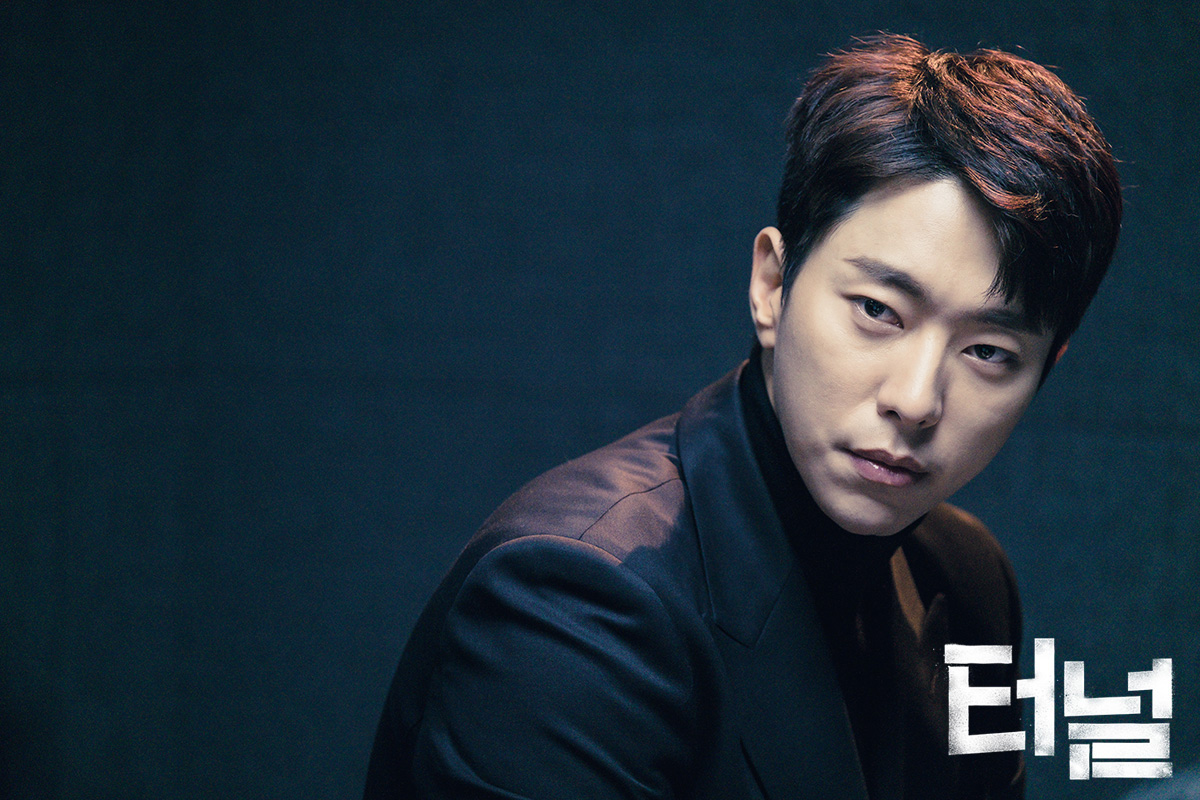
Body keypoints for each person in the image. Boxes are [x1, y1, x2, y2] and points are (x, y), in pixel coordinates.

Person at [364, 34, 1122, 799]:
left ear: (1046, 370)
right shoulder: (576, 602)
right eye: (877, 310)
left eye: (989, 352)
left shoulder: (969, 577)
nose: (917, 399)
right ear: (771, 285)